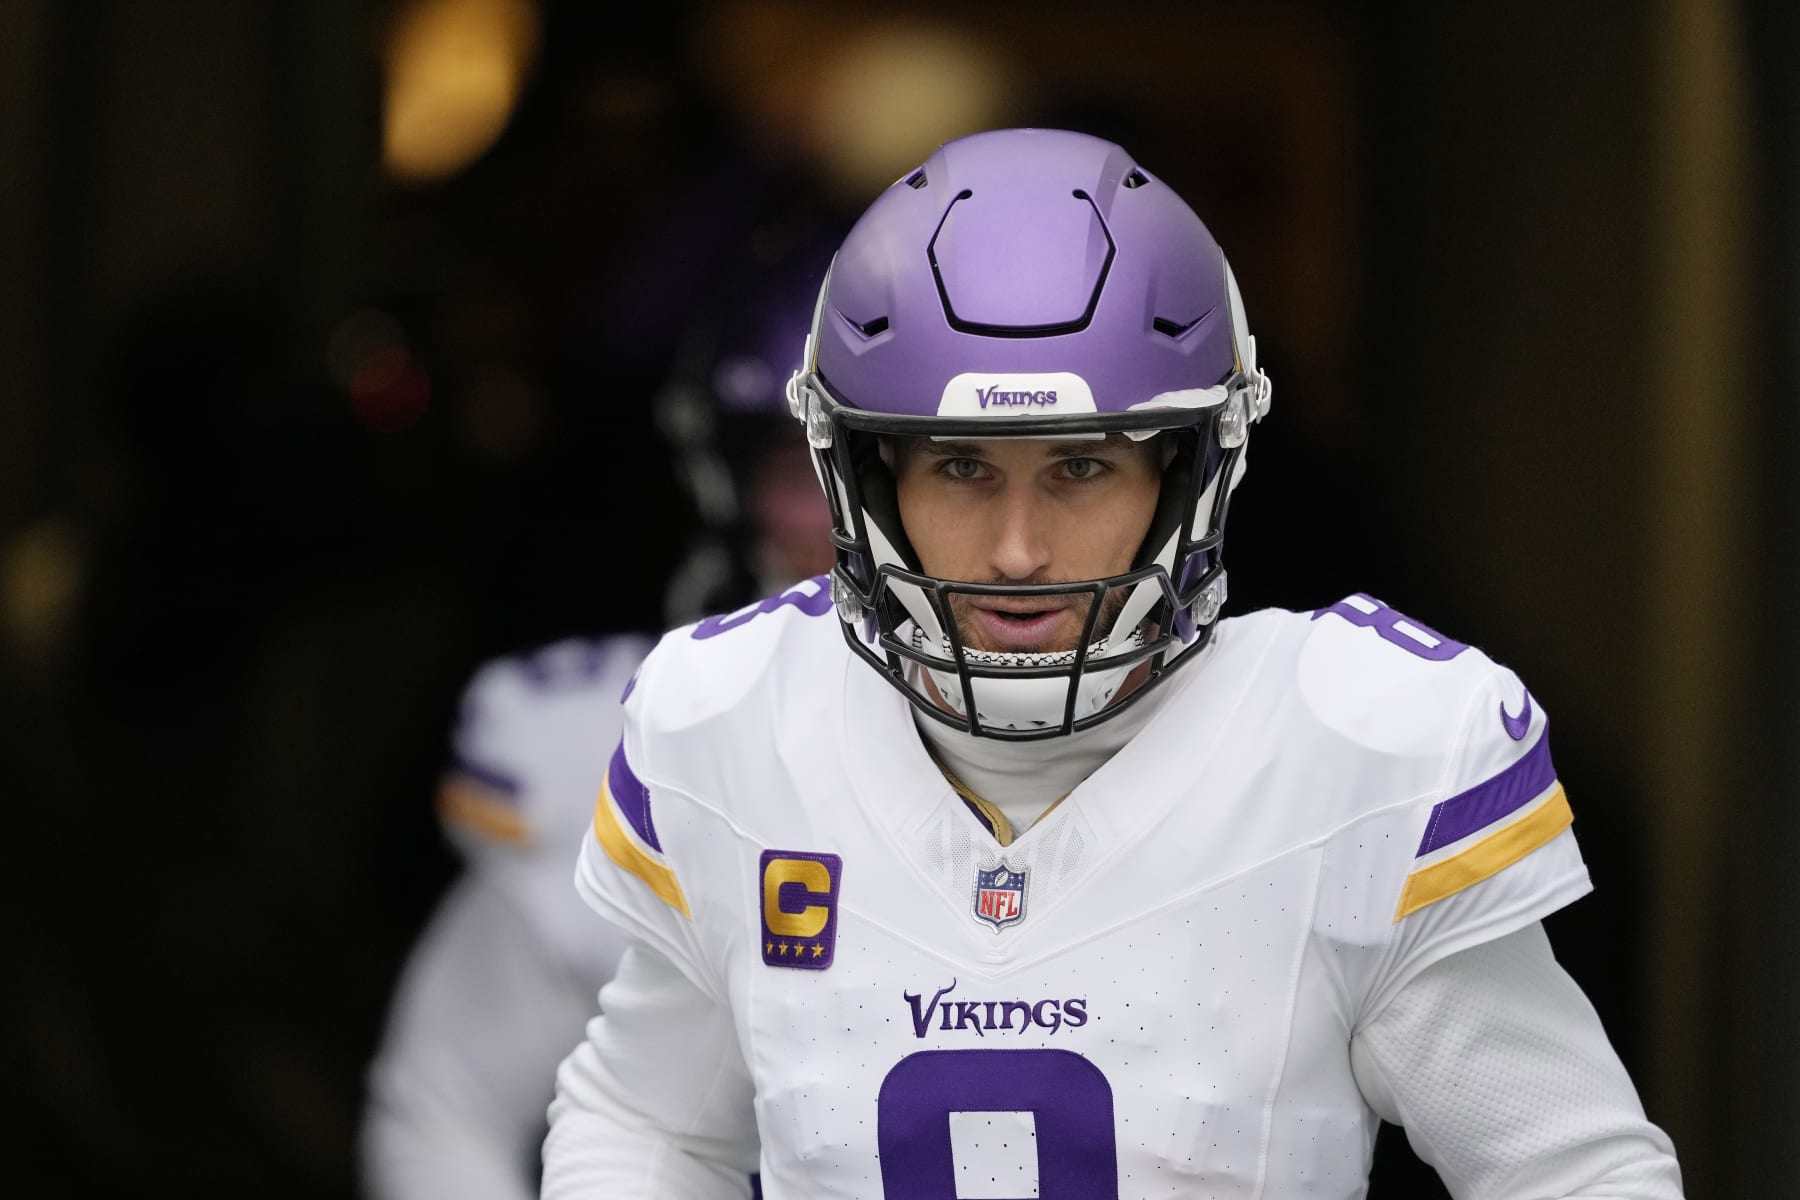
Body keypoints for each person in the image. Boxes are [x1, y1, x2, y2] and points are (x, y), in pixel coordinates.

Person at [542, 128, 1684, 1199]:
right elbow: (648, 1122)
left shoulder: (1361, 754)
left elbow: (1571, 1171)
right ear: (871, 471)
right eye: (960, 468)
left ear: (1189, 474)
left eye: (1082, 468)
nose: (1019, 551)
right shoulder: (736, 721)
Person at [358, 235, 836, 1200]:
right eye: (812, 470)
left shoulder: (1204, 754)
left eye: (950, 468)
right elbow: (442, 1112)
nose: (864, 523)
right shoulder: (618, 757)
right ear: (731, 486)